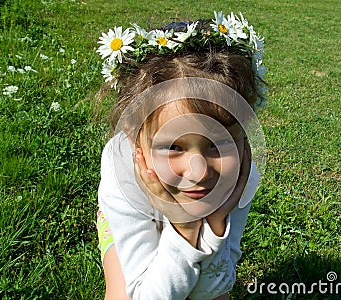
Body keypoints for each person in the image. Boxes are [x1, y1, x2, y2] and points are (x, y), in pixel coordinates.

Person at [95, 11, 267, 300]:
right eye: (174, 147)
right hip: (140, 216)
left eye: (218, 143)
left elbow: (212, 289)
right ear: (133, 138)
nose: (198, 171)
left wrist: (216, 220)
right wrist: (186, 227)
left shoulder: (240, 176)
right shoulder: (121, 176)